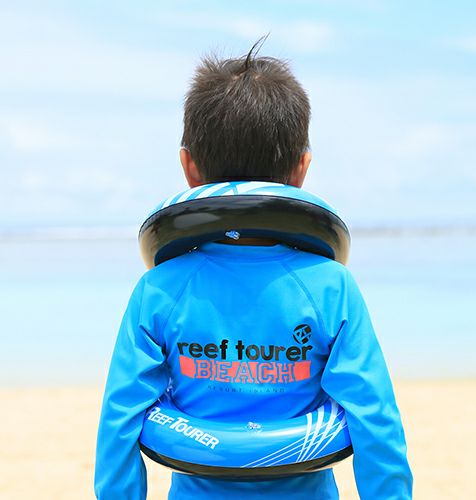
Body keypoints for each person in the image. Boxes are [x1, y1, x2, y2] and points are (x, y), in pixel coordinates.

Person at [94, 41, 413, 499]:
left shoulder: (159, 289)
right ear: (302, 169)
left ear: (189, 168)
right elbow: (374, 416)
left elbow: (120, 419)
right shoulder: (331, 287)